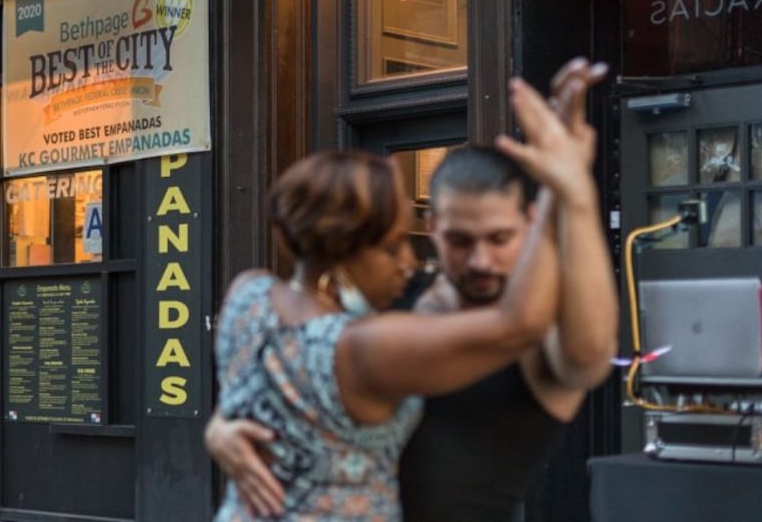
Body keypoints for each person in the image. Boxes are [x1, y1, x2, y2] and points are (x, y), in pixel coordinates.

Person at [207, 60, 617, 521]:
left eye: (499, 239)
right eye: (461, 240)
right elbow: (298, 367)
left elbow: (587, 355)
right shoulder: (383, 302)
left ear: (527, 225)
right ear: (432, 227)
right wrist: (222, 428)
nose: (481, 260)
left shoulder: (541, 325)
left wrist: (572, 192)